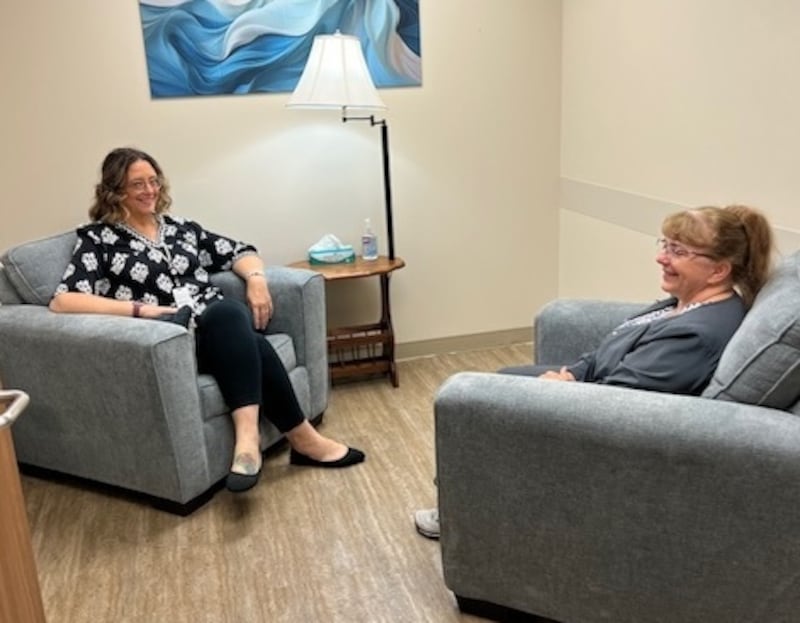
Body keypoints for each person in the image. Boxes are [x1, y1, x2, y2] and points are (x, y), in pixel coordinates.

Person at [414, 204, 775, 539]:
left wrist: (564, 392)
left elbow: (619, 406)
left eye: (678, 251)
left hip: (598, 423)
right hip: (589, 387)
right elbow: (612, 346)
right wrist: (572, 374)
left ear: (718, 270)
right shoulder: (684, 303)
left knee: (476, 405)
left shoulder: (696, 336)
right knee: (504, 377)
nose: (661, 257)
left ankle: (461, 516)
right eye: (665, 244)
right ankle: (466, 500)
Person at [49, 147, 365, 494]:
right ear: (115, 191)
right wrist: (142, 310)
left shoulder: (181, 229)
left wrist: (256, 280)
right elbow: (64, 299)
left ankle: (251, 444)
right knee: (242, 329)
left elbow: (240, 251)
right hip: (170, 336)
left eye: (154, 181)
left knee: (228, 315)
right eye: (138, 184)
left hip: (219, 327)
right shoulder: (98, 239)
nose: (150, 190)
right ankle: (300, 440)